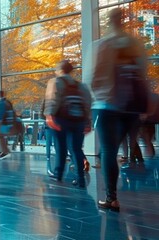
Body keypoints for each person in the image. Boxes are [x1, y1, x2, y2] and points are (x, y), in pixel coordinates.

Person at [92, 8, 149, 212]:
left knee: (108, 151)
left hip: (108, 106)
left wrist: (99, 95)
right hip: (132, 108)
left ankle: (112, 198)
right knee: (125, 146)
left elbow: (96, 77)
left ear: (110, 20)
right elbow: (143, 74)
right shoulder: (136, 45)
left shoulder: (105, 44)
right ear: (123, 20)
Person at [44, 60, 92, 187]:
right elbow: (88, 103)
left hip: (61, 119)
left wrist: (49, 116)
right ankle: (80, 178)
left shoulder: (55, 82)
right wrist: (87, 121)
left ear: (59, 70)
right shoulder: (81, 86)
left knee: (60, 147)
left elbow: (52, 100)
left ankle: (58, 174)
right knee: (76, 149)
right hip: (78, 120)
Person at [0, 90, 17, 159]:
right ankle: (3, 151)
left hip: (3, 122)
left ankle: (5, 151)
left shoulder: (4, 103)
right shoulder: (6, 102)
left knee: (1, 136)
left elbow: (1, 112)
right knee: (1, 137)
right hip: (5, 122)